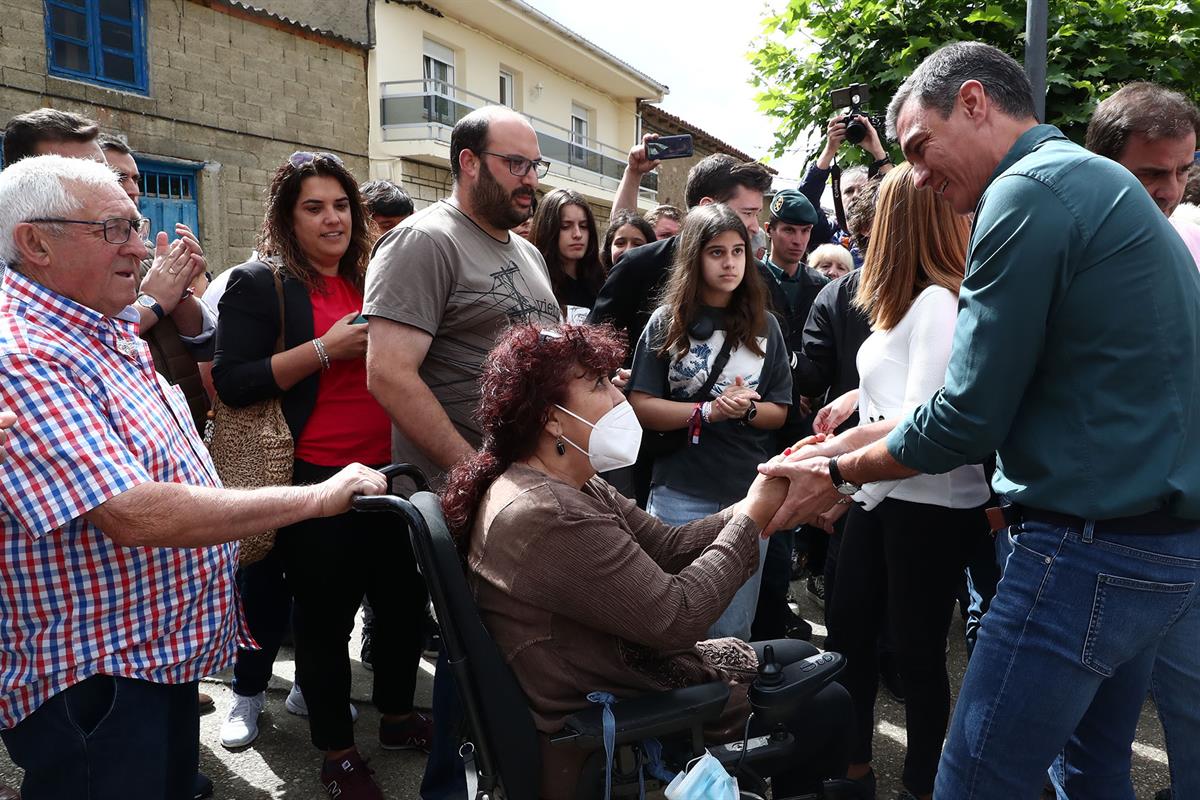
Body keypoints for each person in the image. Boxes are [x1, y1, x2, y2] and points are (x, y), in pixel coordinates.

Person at [761, 42, 1200, 799]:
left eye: (921, 149)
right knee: (1092, 766)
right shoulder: (1084, 183)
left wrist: (833, 471)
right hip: (1154, 547)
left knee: (973, 780)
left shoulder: (1027, 191)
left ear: (973, 102)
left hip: (1089, 550)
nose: (920, 176)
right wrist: (851, 444)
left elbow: (961, 421)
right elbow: (962, 403)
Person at [0, 153, 386, 800]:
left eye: (136, 224)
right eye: (113, 230)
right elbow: (130, 511)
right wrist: (316, 498)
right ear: (35, 242)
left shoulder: (98, 322)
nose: (140, 249)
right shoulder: (27, 353)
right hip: (95, 674)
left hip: (152, 654)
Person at [440, 321, 857, 800]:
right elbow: (676, 617)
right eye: (598, 384)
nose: (619, 397)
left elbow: (667, 546)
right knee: (830, 702)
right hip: (604, 721)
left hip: (606, 675)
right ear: (550, 419)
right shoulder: (549, 514)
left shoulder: (570, 483)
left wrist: (767, 491)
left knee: (805, 659)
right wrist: (753, 516)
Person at [213, 151, 431, 800]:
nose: (331, 218)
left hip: (394, 474)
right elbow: (232, 382)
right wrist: (323, 351)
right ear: (288, 217)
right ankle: (336, 750)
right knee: (325, 619)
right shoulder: (260, 284)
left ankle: (395, 717)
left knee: (400, 607)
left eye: (340, 205)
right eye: (313, 207)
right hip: (313, 479)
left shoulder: (375, 274)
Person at [363, 105, 559, 800]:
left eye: (536, 165)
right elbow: (387, 371)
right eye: (517, 164)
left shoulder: (526, 250)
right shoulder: (422, 241)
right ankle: (449, 789)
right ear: (468, 162)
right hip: (470, 493)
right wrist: (475, 471)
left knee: (517, 651)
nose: (531, 180)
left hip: (532, 490)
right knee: (473, 655)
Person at [800, 164, 991, 800]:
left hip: (928, 508)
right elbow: (902, 387)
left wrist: (844, 486)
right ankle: (854, 769)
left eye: (879, 214)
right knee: (849, 635)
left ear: (899, 223)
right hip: (884, 497)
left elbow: (923, 424)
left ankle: (921, 783)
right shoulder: (904, 300)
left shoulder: (938, 301)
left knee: (915, 655)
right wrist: (857, 398)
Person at [628, 204, 792, 641]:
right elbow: (642, 403)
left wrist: (747, 410)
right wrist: (708, 412)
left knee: (733, 631)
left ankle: (729, 711)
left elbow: (780, 410)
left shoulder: (767, 326)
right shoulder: (667, 321)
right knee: (672, 625)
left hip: (747, 498)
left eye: (738, 251)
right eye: (717, 252)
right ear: (695, 257)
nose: (730, 263)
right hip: (678, 492)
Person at [589, 153, 773, 362]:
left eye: (757, 214)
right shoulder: (637, 266)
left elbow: (777, 364)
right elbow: (592, 347)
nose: (755, 226)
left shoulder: (760, 276)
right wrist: (623, 383)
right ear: (707, 207)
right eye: (748, 213)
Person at [98, 134, 215, 433]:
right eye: (119, 177)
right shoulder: (68, 269)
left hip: (186, 424)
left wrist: (183, 287)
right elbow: (87, 340)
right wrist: (154, 302)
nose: (133, 189)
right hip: (132, 433)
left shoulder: (149, 259)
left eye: (136, 179)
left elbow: (203, 346)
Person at [1086, 82, 1200, 266]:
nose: (1172, 193)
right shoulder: (1061, 253)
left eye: (1183, 171)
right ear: (1099, 167)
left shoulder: (1194, 242)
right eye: (1152, 174)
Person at [798, 115, 893, 264]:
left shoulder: (887, 230)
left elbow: (903, 198)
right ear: (838, 198)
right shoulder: (826, 234)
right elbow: (803, 202)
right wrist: (829, 150)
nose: (856, 196)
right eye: (849, 191)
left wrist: (878, 152)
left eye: (862, 190)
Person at [530, 187, 605, 323]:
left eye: (583, 226)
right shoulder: (535, 282)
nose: (577, 234)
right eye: (566, 226)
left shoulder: (601, 281)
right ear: (547, 230)